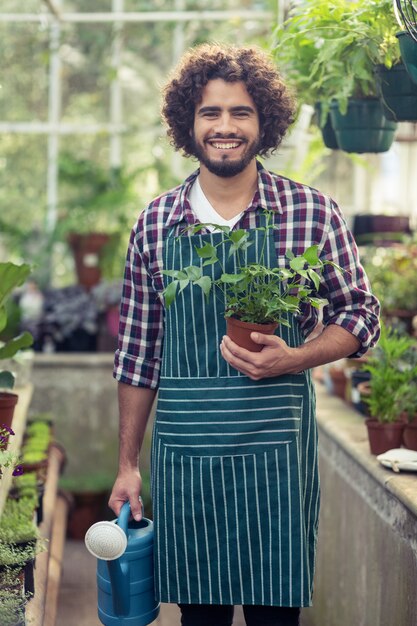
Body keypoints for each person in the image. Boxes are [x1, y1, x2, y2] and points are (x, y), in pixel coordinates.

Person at [109, 44, 380, 626]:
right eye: (211, 113)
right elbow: (138, 356)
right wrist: (127, 464)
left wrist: (296, 357)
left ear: (265, 124)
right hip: (187, 462)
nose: (225, 127)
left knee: (272, 617)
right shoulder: (156, 223)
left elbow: (360, 316)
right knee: (200, 617)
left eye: (241, 113)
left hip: (275, 463)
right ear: (189, 123)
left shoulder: (310, 212)